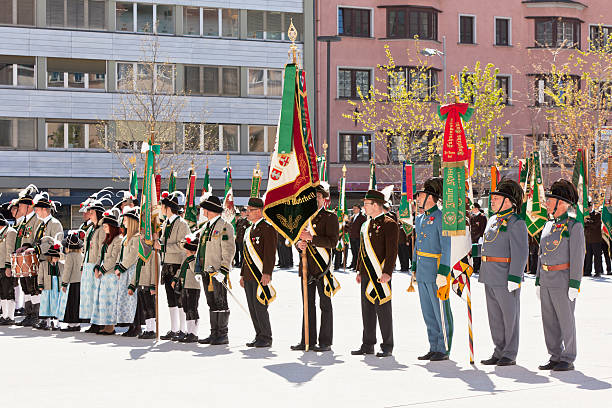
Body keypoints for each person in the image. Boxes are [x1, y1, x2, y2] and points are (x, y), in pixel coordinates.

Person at [536, 180, 585, 371]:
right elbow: (541, 254)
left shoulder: (574, 226)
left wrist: (575, 284)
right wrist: (539, 281)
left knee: (565, 319)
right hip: (547, 278)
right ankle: (554, 355)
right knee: (548, 319)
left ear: (562, 204)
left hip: (563, 279)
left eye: (551, 200)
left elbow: (578, 256)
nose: (547, 204)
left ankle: (568, 356)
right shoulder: (548, 225)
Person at [479, 179, 528, 366]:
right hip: (489, 273)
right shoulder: (492, 220)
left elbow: (521, 251)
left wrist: (515, 276)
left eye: (496, 198)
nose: (492, 201)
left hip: (505, 275)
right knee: (495, 317)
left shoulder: (516, 222)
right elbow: (487, 245)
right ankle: (498, 350)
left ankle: (510, 353)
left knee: (510, 316)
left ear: (508, 201)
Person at [292, 182, 339, 352]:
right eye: (312, 197)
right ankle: (307, 340)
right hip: (306, 267)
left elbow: (333, 242)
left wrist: (312, 238)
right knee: (307, 304)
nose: (315, 200)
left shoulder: (329, 217)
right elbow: (297, 241)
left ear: (323, 199)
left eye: (318, 197)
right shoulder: (303, 218)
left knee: (325, 305)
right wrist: (299, 245)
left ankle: (325, 341)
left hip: (323, 268)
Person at [351, 189, 398, 357]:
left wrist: (388, 272)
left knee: (383, 309)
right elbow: (362, 250)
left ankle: (387, 345)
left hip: (380, 274)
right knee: (367, 309)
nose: (364, 206)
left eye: (366, 204)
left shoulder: (389, 223)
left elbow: (392, 251)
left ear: (376, 205)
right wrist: (359, 270)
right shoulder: (366, 224)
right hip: (366, 274)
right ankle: (368, 343)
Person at [412, 178, 452, 361]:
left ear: (431, 197)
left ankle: (443, 348)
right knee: (428, 311)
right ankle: (433, 345)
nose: (417, 198)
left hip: (436, 270)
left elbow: (446, 246)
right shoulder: (420, 218)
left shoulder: (442, 218)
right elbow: (417, 246)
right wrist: (413, 267)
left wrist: (443, 271)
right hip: (422, 270)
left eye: (420, 195)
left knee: (440, 311)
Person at [196, 195, 235, 345]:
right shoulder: (206, 226)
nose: (203, 211)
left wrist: (224, 270)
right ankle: (214, 333)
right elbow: (202, 249)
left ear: (211, 210)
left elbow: (229, 249)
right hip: (207, 270)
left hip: (217, 271)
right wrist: (198, 270)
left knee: (220, 301)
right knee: (211, 301)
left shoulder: (225, 226)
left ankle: (222, 334)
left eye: (205, 208)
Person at [240, 197, 277, 348]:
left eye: (250, 210)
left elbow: (270, 253)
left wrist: (267, 273)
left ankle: (266, 336)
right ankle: (258, 334)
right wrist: (242, 274)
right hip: (249, 274)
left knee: (260, 305)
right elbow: (245, 255)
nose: (247, 213)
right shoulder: (249, 229)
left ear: (259, 211)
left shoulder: (267, 228)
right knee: (252, 307)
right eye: (247, 210)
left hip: (260, 274)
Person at [155, 191, 190, 341]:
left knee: (179, 297)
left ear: (168, 207)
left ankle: (183, 329)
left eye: (162, 206)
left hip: (177, 264)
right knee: (170, 298)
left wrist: (163, 247)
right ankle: (174, 328)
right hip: (167, 263)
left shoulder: (182, 224)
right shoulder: (166, 224)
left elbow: (183, 245)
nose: (161, 209)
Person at [31, 191, 64, 329]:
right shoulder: (40, 224)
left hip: (52, 262)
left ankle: (55, 321)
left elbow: (56, 243)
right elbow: (37, 241)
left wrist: (38, 249)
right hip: (43, 262)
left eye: (37, 209)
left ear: (45, 209)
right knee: (44, 292)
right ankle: (45, 319)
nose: (36, 212)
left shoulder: (55, 224)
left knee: (53, 292)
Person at [80, 192, 111, 333]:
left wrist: (98, 265)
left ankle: (98, 323)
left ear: (97, 213)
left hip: (95, 264)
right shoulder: (90, 229)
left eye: (91, 212)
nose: (89, 214)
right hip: (87, 263)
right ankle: (92, 321)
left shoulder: (101, 229)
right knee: (89, 295)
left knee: (96, 295)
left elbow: (101, 249)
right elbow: (86, 249)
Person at [90, 208, 123, 335]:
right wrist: (96, 267)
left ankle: (110, 326)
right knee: (103, 301)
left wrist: (102, 270)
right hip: (104, 275)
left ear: (112, 227)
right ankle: (105, 324)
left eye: (105, 226)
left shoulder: (117, 239)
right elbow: (101, 256)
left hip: (110, 275)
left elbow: (113, 258)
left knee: (110, 301)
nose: (103, 228)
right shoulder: (107, 240)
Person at [14, 185, 43, 327]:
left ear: (28, 206)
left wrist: (27, 247)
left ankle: (36, 315)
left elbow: (37, 239)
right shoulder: (24, 222)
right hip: (23, 259)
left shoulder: (36, 220)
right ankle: (29, 314)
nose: (19, 208)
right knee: (25, 288)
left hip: (31, 258)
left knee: (33, 288)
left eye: (21, 206)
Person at [114, 206, 141, 333]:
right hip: (125, 271)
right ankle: (130, 324)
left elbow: (132, 255)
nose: (123, 222)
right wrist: (119, 266)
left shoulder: (136, 237)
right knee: (126, 299)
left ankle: (136, 325)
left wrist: (121, 267)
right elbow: (122, 254)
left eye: (125, 220)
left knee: (132, 299)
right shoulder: (127, 237)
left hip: (131, 270)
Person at [172, 233, 201, 343]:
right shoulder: (186, 258)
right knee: (186, 308)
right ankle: (189, 332)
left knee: (192, 309)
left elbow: (195, 270)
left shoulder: (194, 259)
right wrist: (175, 278)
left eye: (188, 250)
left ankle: (194, 332)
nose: (186, 252)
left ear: (193, 251)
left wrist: (191, 259)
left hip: (193, 286)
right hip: (184, 286)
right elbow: (181, 270)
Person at [128, 241, 158, 340]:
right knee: (144, 309)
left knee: (150, 308)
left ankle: (152, 330)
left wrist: (153, 286)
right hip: (140, 284)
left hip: (148, 285)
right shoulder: (140, 256)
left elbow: (155, 271)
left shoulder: (154, 254)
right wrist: (132, 285)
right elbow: (136, 271)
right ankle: (148, 329)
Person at [58, 230, 84, 331]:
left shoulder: (69, 256)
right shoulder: (81, 255)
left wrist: (64, 283)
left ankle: (72, 324)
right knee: (77, 302)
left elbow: (67, 271)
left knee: (71, 303)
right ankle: (76, 323)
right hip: (81, 281)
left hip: (72, 282)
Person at [36, 237, 63, 331]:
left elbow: (63, 276)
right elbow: (40, 276)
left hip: (57, 288)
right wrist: (40, 284)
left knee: (56, 304)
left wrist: (64, 285)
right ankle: (46, 322)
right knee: (46, 305)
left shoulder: (61, 265)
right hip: (47, 287)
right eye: (54, 257)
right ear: (50, 256)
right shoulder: (43, 264)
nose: (55, 259)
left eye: (57, 257)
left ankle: (56, 323)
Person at [0, 214, 17, 325]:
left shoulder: (10, 232)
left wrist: (8, 266)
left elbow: (10, 250)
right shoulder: (2, 232)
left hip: (5, 266)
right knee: (2, 292)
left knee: (8, 291)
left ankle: (10, 316)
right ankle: (4, 315)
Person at [583, 203, 603, 277]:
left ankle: (598, 271)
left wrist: (587, 222)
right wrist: (588, 223)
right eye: (587, 207)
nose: (588, 208)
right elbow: (584, 225)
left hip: (596, 239)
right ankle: (587, 271)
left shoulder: (597, 214)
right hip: (588, 239)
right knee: (588, 256)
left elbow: (595, 225)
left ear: (592, 207)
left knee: (597, 256)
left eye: (589, 206)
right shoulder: (585, 216)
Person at [469, 203, 487, 274]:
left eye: (473, 208)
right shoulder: (472, 217)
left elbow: (483, 227)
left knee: (479, 253)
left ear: (476, 208)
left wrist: (481, 237)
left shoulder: (482, 217)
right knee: (474, 253)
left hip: (479, 237)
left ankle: (478, 267)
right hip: (473, 237)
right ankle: (475, 267)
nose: (472, 210)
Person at [348, 204, 366, 270]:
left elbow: (363, 227)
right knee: (353, 252)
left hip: (358, 238)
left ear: (359, 209)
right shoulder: (352, 217)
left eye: (355, 208)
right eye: (353, 208)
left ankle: (358, 266)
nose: (353, 210)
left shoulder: (362, 217)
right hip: (352, 237)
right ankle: (354, 265)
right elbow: (350, 226)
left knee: (358, 252)